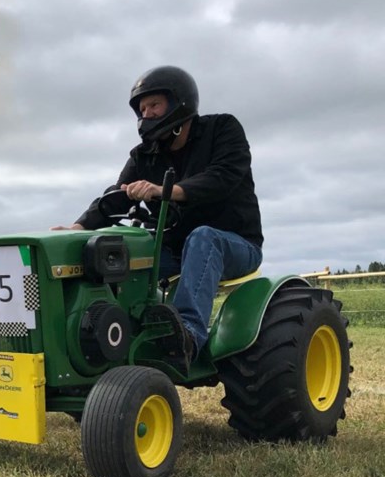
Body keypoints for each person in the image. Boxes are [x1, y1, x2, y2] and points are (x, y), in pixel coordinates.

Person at [54, 66, 263, 365]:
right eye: (142, 109)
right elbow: (116, 195)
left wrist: (165, 190)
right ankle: (108, 338)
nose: (147, 114)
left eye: (154, 105)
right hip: (174, 250)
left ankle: (185, 336)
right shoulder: (144, 154)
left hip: (235, 244)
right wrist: (78, 227)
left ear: (179, 103)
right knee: (117, 253)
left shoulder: (223, 129)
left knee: (203, 237)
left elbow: (223, 177)